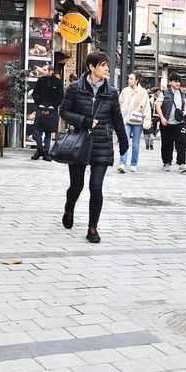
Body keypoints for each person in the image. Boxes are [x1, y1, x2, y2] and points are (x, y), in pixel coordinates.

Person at [59, 52, 128, 243]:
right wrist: (85, 121)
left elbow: (117, 119)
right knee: (77, 185)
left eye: (108, 65)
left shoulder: (112, 92)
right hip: (79, 143)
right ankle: (69, 207)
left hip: (101, 144)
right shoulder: (74, 88)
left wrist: (123, 141)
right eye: (104, 65)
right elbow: (63, 111)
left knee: (96, 187)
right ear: (91, 67)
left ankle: (92, 228)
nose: (107, 69)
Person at [117, 72, 151, 173]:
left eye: (131, 79)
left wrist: (147, 121)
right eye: (129, 78)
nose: (129, 80)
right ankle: (122, 163)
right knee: (125, 141)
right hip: (126, 120)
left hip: (138, 121)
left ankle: (133, 164)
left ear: (136, 80)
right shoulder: (125, 91)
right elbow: (119, 103)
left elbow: (147, 107)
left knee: (136, 144)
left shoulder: (143, 92)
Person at [156, 73, 186, 173]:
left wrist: (184, 112)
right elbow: (158, 106)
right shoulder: (164, 93)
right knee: (167, 143)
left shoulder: (182, 93)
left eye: (179, 81)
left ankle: (182, 163)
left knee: (182, 142)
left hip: (179, 122)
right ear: (170, 82)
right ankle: (166, 162)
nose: (177, 83)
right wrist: (162, 118)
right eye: (175, 81)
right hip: (167, 122)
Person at [31, 65, 64, 161]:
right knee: (37, 131)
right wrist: (38, 104)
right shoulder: (40, 80)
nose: (43, 70)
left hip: (52, 109)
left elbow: (60, 96)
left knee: (48, 132)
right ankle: (40, 149)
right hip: (40, 108)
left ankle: (46, 152)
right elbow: (35, 93)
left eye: (45, 70)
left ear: (51, 71)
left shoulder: (58, 82)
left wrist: (53, 106)